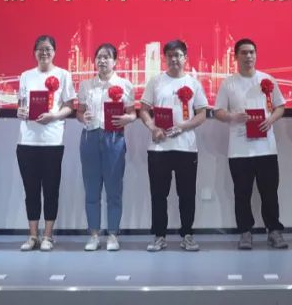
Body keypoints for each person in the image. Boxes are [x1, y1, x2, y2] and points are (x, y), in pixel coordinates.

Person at [214, 38, 288, 250]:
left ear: (256, 55)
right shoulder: (228, 83)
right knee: (242, 194)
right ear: (236, 56)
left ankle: (274, 231)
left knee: (270, 193)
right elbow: (217, 111)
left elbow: (280, 107)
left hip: (266, 148)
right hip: (239, 150)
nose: (248, 56)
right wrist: (232, 117)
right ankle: (245, 232)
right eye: (244, 53)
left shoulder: (267, 79)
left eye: (252, 52)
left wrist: (270, 120)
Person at [139, 39, 209, 252]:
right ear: (165, 58)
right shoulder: (156, 81)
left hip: (186, 148)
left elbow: (202, 114)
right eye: (169, 55)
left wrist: (183, 127)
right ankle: (159, 236)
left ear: (185, 58)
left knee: (186, 194)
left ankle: (187, 235)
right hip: (159, 148)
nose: (174, 59)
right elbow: (143, 110)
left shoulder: (193, 83)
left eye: (178, 55)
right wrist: (153, 128)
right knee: (158, 195)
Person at [15, 35, 76, 252]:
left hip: (52, 141)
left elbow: (70, 106)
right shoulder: (25, 76)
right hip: (27, 141)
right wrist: (21, 111)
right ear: (34, 52)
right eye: (40, 49)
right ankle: (33, 236)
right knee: (30, 191)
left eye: (48, 49)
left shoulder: (63, 75)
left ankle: (48, 236)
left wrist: (54, 116)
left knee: (51, 189)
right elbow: (21, 103)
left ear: (54, 52)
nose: (44, 53)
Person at [76, 43, 137, 251]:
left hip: (114, 139)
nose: (102, 61)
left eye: (107, 57)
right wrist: (82, 117)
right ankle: (94, 235)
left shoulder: (125, 84)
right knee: (91, 190)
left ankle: (112, 234)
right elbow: (79, 112)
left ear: (115, 61)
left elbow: (133, 113)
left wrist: (127, 119)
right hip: (90, 138)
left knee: (114, 190)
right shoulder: (86, 85)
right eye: (99, 57)